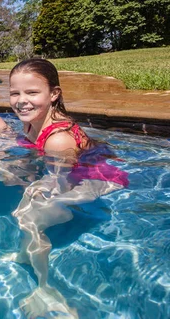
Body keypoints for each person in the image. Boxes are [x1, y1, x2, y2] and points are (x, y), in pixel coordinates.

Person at [8, 58, 128, 318]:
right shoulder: (31, 122)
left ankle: (45, 289)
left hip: (100, 182)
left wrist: (37, 196)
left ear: (54, 94)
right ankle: (25, 251)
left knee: (30, 214)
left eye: (31, 92)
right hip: (77, 174)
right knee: (27, 200)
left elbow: (61, 185)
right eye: (14, 92)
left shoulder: (58, 140)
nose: (21, 100)